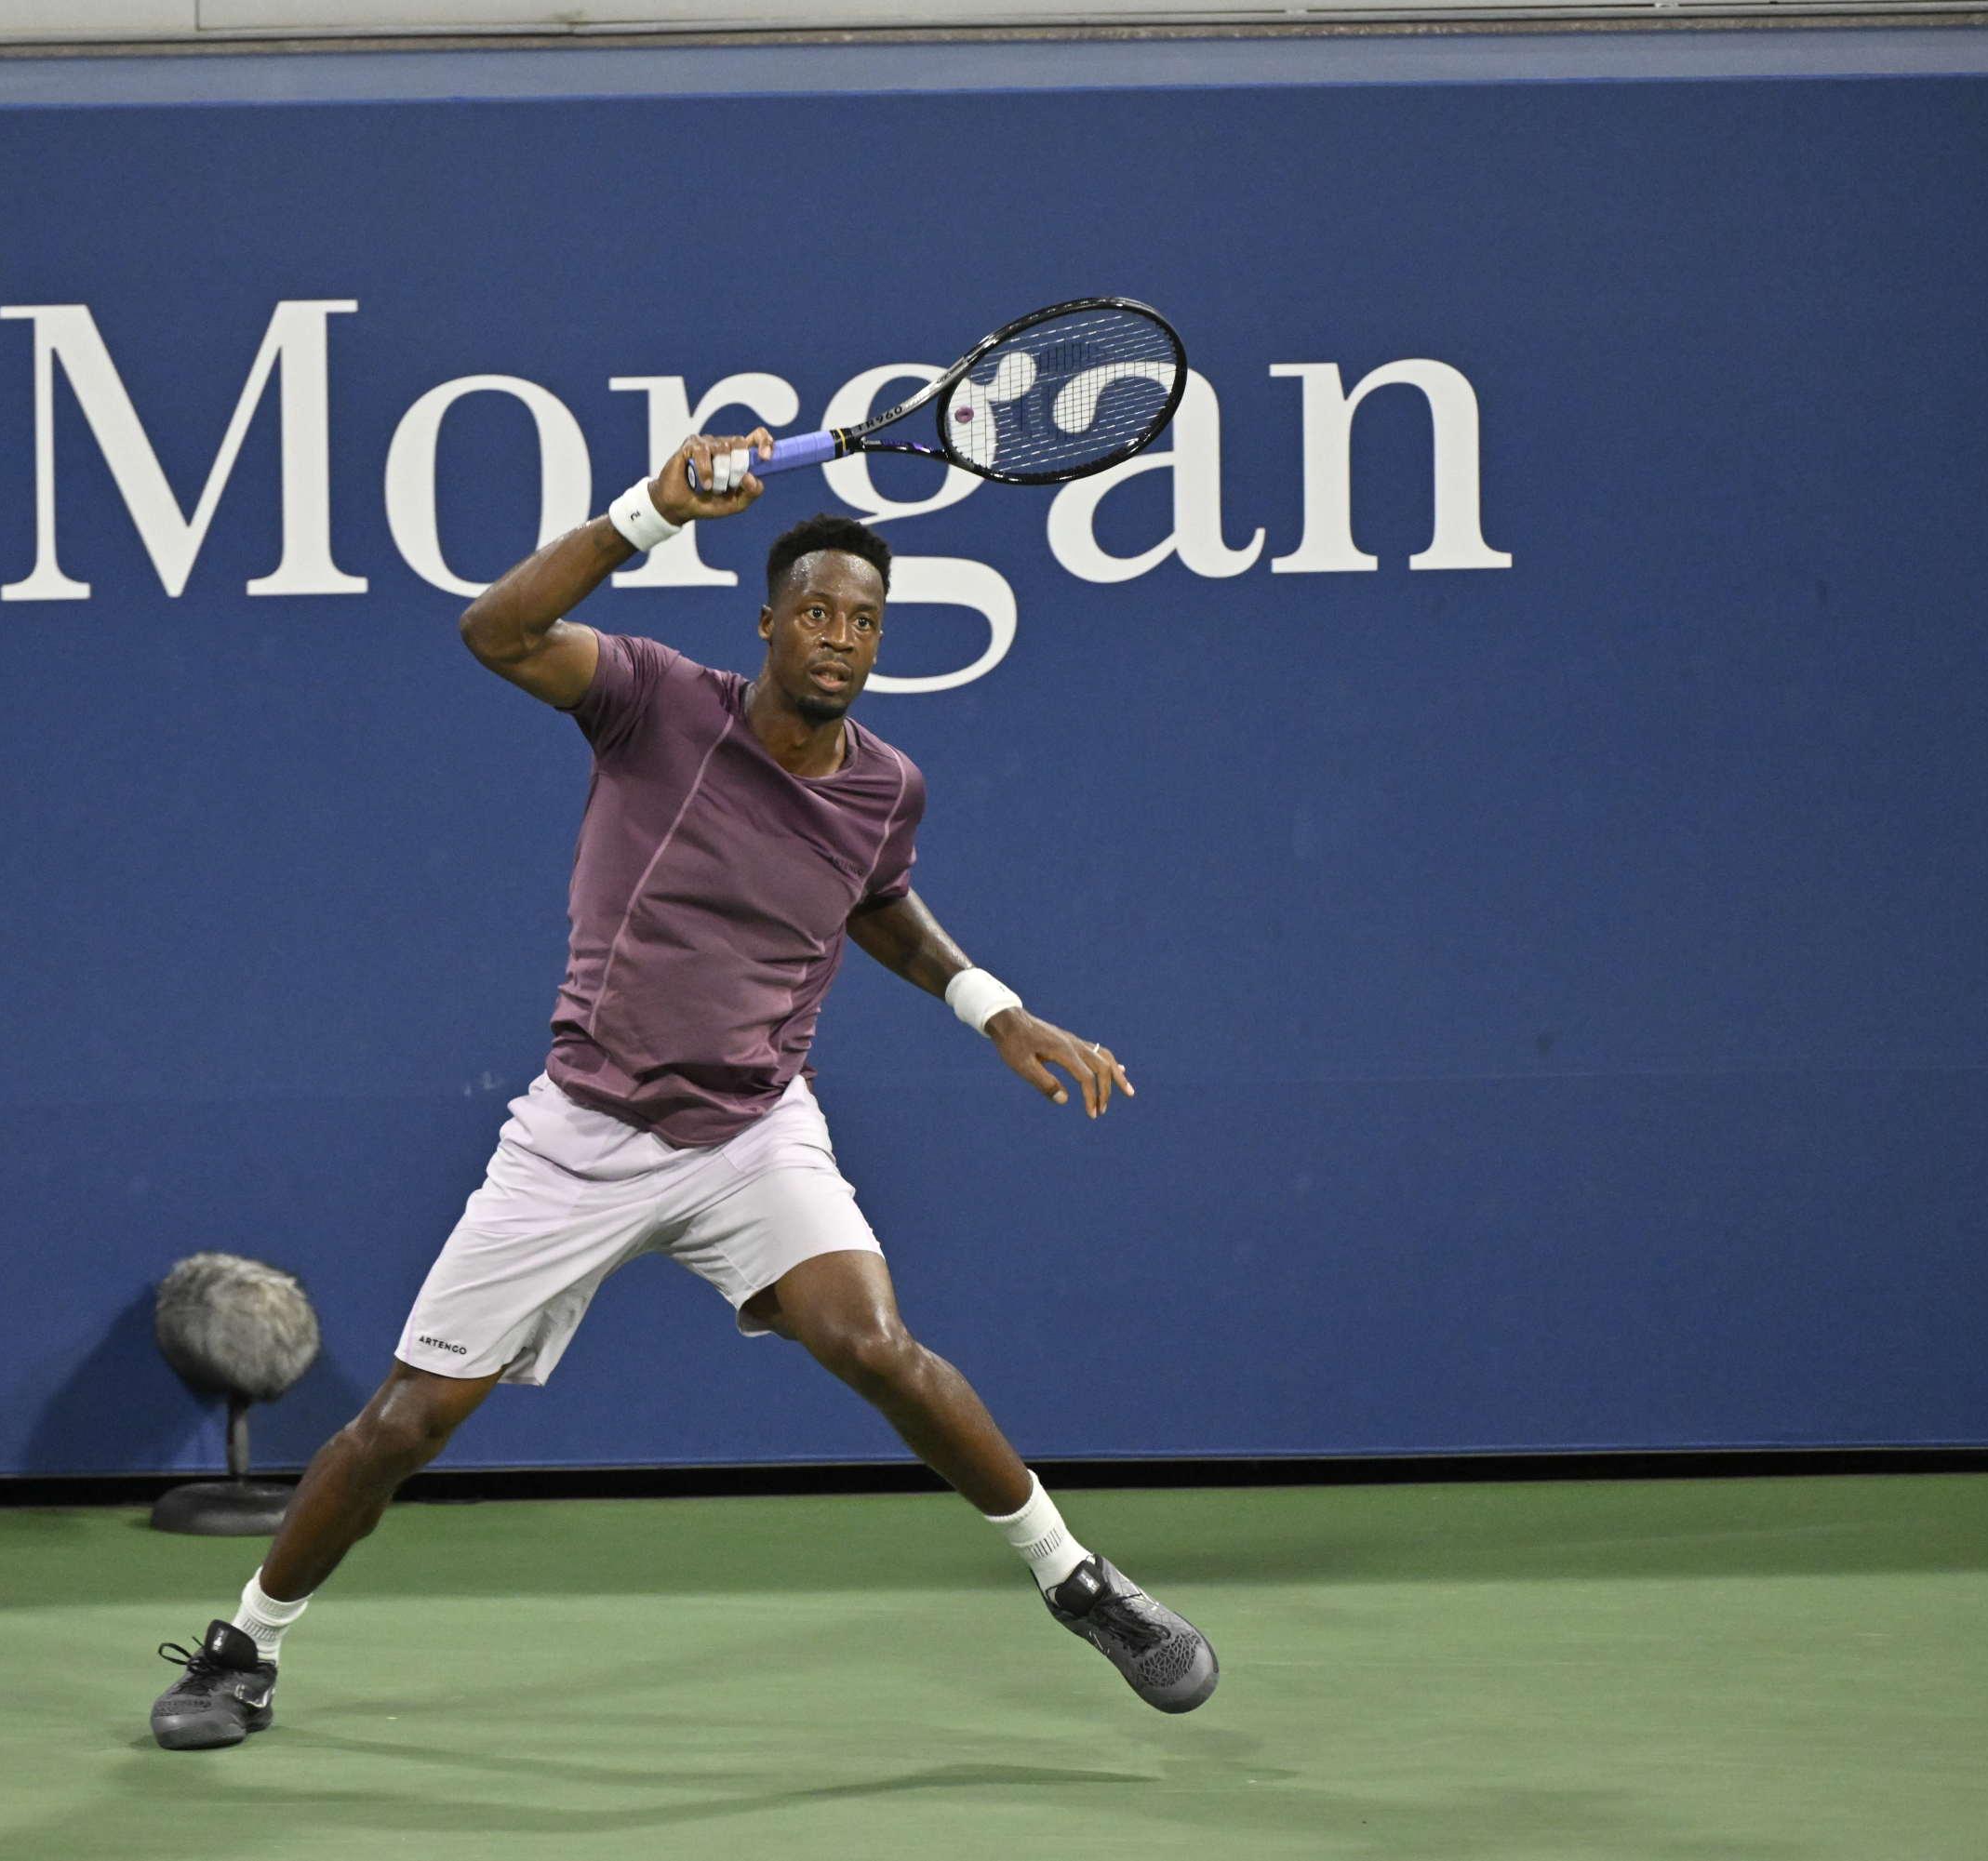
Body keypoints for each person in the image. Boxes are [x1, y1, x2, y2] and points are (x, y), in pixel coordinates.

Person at [151, 432, 1216, 1749]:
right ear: (767, 621)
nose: (841, 634)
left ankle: (1080, 1582)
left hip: (755, 1129)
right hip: (580, 1136)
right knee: (403, 1424)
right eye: (817, 609)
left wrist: (987, 1004)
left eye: (866, 618)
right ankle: (242, 1648)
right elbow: (495, 628)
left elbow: (872, 899)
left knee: (874, 1344)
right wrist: (646, 512)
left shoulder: (888, 784)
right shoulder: (656, 700)